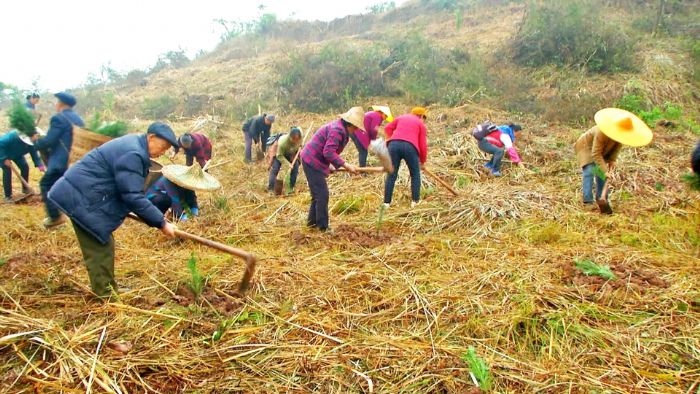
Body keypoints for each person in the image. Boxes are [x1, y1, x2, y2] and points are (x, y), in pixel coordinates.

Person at [48, 122, 179, 299]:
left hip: (85, 194)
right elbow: (132, 195)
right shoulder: (133, 153)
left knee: (103, 243)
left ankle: (107, 287)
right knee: (100, 245)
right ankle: (105, 295)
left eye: (167, 149)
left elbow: (128, 189)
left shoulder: (134, 145)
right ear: (151, 138)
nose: (163, 152)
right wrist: (161, 223)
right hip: (80, 197)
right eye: (163, 147)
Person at [574, 108, 653, 208]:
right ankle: (588, 201)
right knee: (590, 170)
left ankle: (602, 198)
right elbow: (596, 153)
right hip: (585, 147)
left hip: (601, 151)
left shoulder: (620, 136)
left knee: (601, 174)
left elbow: (616, 149)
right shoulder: (602, 132)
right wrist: (605, 170)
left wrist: (612, 160)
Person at [300, 107, 362, 231]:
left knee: (317, 195)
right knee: (322, 195)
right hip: (311, 161)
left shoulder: (341, 129)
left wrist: (331, 165)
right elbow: (328, 152)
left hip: (312, 158)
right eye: (356, 128)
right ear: (352, 125)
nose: (356, 130)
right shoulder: (337, 130)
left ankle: (312, 224)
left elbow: (328, 151)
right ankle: (323, 227)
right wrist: (346, 165)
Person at [34, 92, 84, 228]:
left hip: (60, 162)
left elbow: (49, 141)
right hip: (74, 162)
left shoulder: (58, 118)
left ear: (61, 104)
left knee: (46, 185)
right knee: (65, 188)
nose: (55, 105)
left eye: (56, 102)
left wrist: (37, 141)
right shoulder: (78, 119)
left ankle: (55, 218)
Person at [383, 107, 429, 209]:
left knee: (391, 174)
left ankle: (386, 203)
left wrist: (390, 139)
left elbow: (387, 128)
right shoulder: (420, 124)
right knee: (415, 174)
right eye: (424, 117)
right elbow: (422, 145)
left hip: (393, 145)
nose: (424, 120)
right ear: (421, 116)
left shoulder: (401, 117)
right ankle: (415, 201)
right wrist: (422, 161)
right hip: (410, 147)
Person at [0, 130, 45, 202]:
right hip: (3, 153)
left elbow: (35, 156)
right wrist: (3, 158)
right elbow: (0, 143)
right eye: (35, 136)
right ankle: (7, 196)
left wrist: (41, 167)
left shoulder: (32, 143)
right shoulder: (12, 137)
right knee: (7, 170)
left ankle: (25, 189)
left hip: (17, 155)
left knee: (25, 167)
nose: (37, 138)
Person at [267, 127, 302, 192]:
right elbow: (279, 155)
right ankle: (271, 188)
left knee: (295, 167)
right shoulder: (283, 143)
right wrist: (288, 164)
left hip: (291, 153)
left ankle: (291, 187)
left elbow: (300, 146)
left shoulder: (300, 138)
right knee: (275, 169)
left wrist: (300, 147)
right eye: (294, 139)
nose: (295, 141)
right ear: (290, 137)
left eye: (297, 139)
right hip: (279, 153)